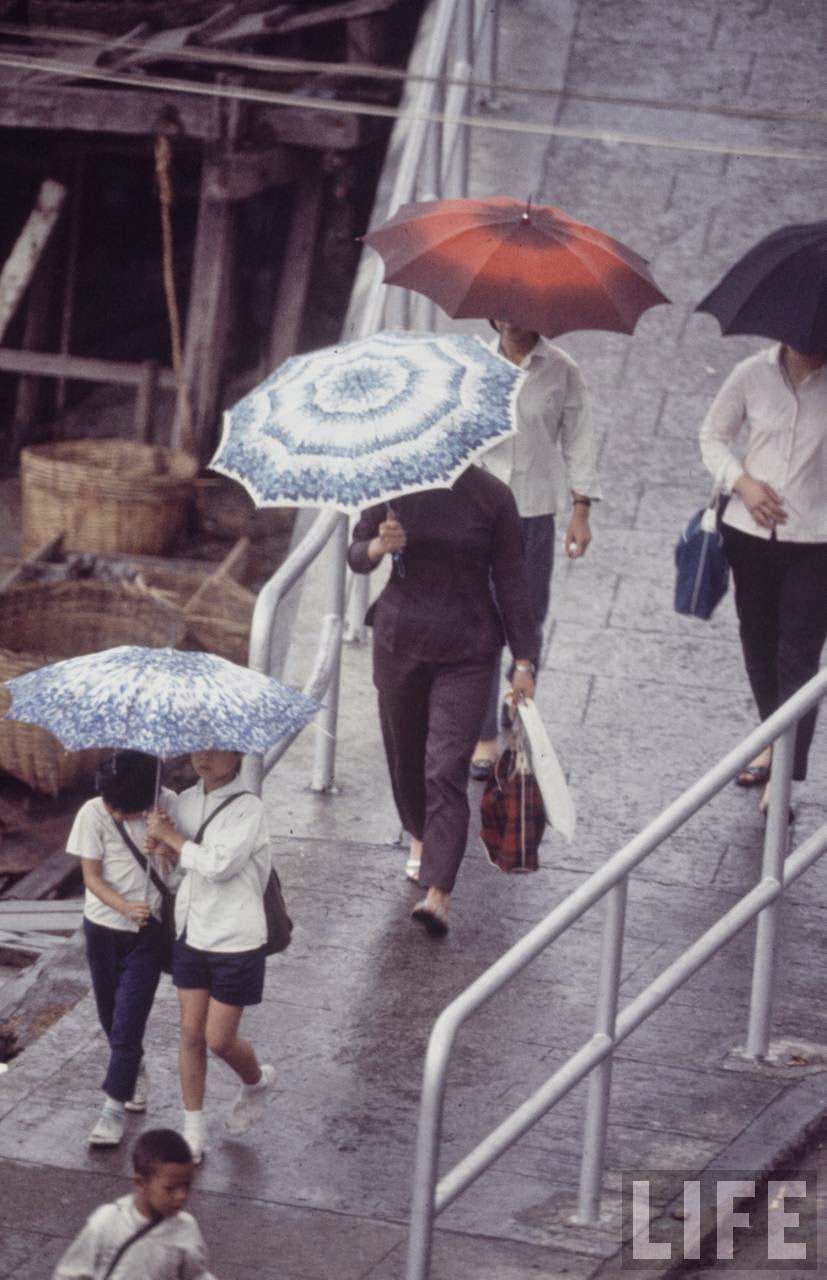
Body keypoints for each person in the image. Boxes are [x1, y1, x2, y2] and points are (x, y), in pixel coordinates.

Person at [348, 464, 537, 935]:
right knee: (406, 757)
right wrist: (379, 545)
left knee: (445, 767)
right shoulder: (393, 484)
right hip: (399, 641)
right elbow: (356, 553)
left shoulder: (493, 497)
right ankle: (419, 834)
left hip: (468, 649)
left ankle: (438, 892)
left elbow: (512, 579)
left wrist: (524, 660)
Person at [470, 319, 602, 779]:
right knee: (481, 621)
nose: (511, 316)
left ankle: (519, 705)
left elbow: (580, 438)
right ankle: (485, 733)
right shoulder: (476, 364)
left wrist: (581, 508)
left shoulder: (561, 370)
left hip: (533, 513)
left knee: (527, 616)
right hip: (480, 512)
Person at [700, 342, 827, 810]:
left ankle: (787, 774)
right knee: (759, 646)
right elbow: (712, 437)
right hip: (749, 535)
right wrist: (743, 483)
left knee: (799, 658)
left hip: (817, 541)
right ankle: (773, 735)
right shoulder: (752, 374)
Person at [146, 750, 275, 1164]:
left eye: (216, 749)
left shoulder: (249, 808)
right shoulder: (183, 802)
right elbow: (183, 870)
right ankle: (193, 1130)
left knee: (219, 1039)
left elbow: (219, 865)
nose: (204, 758)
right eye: (199, 747)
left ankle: (255, 1082)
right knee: (189, 1033)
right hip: (192, 931)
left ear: (237, 753)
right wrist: (161, 849)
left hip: (236, 936)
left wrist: (172, 840)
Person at [67, 750, 174, 1148]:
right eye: (109, 804)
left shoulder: (166, 805)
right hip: (103, 928)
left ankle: (112, 1108)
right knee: (110, 1016)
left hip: (148, 932)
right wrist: (124, 905)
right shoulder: (92, 814)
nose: (113, 813)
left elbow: (185, 863)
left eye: (121, 809)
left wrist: (166, 845)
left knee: (129, 1018)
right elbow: (91, 878)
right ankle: (134, 1069)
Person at [53, 1127, 215, 1279]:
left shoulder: (186, 1228)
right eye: (170, 1188)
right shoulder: (108, 1222)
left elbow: (196, 1276)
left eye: (187, 1185)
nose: (181, 1196)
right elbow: (70, 1274)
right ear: (141, 1183)